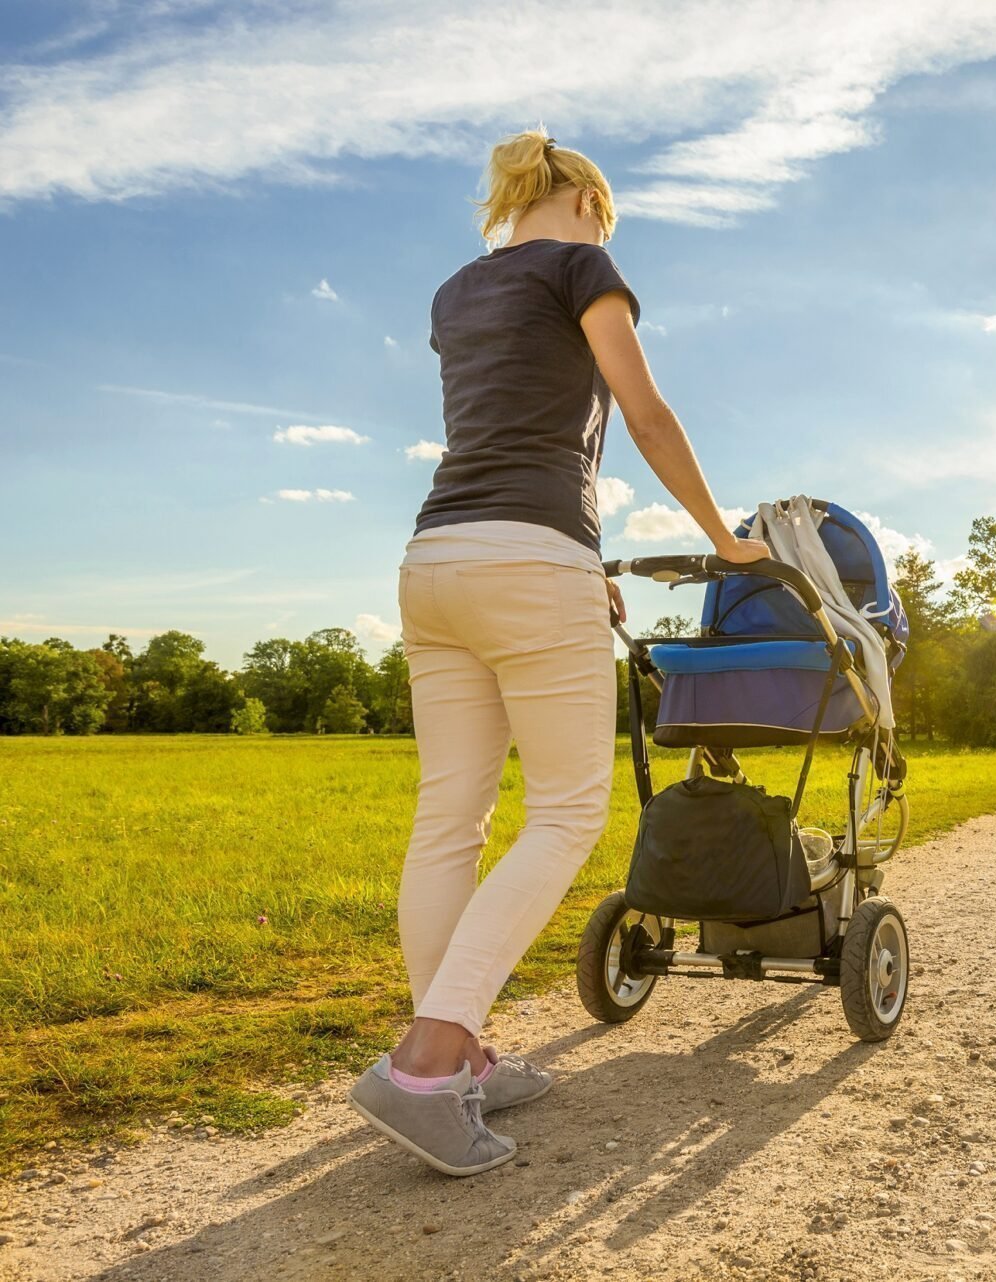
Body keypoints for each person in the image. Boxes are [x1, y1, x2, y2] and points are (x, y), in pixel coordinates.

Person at [348, 130, 769, 1177]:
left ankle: (462, 1058)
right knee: (571, 810)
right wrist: (726, 538)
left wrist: (575, 563)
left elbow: (509, 418)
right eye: (605, 214)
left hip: (435, 557)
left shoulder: (456, 291)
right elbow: (644, 406)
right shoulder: (585, 264)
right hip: (531, 559)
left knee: (450, 816)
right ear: (584, 200)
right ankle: (429, 1059)